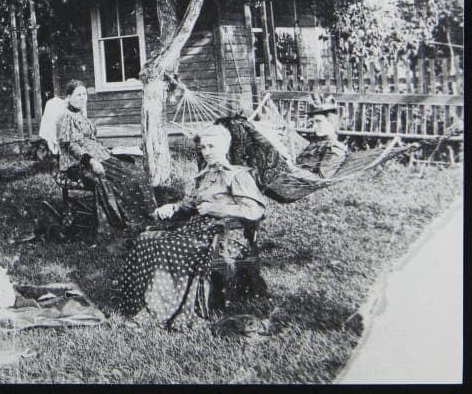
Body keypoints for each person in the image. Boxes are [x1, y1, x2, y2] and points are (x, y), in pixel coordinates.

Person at [118, 122, 267, 329]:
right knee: (146, 239)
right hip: (197, 229)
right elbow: (192, 203)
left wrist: (216, 208)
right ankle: (135, 303)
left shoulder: (238, 175)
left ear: (225, 146)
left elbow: (255, 211)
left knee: (168, 247)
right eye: (203, 147)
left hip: (225, 235)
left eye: (211, 146)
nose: (206, 152)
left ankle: (158, 312)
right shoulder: (205, 174)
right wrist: (174, 207)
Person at [55, 80, 155, 233]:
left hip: (101, 157)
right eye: (78, 95)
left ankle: (149, 215)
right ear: (69, 97)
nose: (82, 98)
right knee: (125, 179)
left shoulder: (80, 115)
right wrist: (91, 161)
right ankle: (129, 220)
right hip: (80, 164)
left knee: (138, 174)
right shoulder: (65, 117)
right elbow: (71, 146)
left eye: (84, 94)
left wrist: (108, 151)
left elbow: (91, 141)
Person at [295, 99, 348, 179]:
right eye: (313, 123)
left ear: (331, 122)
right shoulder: (317, 142)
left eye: (318, 122)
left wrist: (292, 170)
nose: (314, 126)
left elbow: (321, 179)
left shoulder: (334, 149)